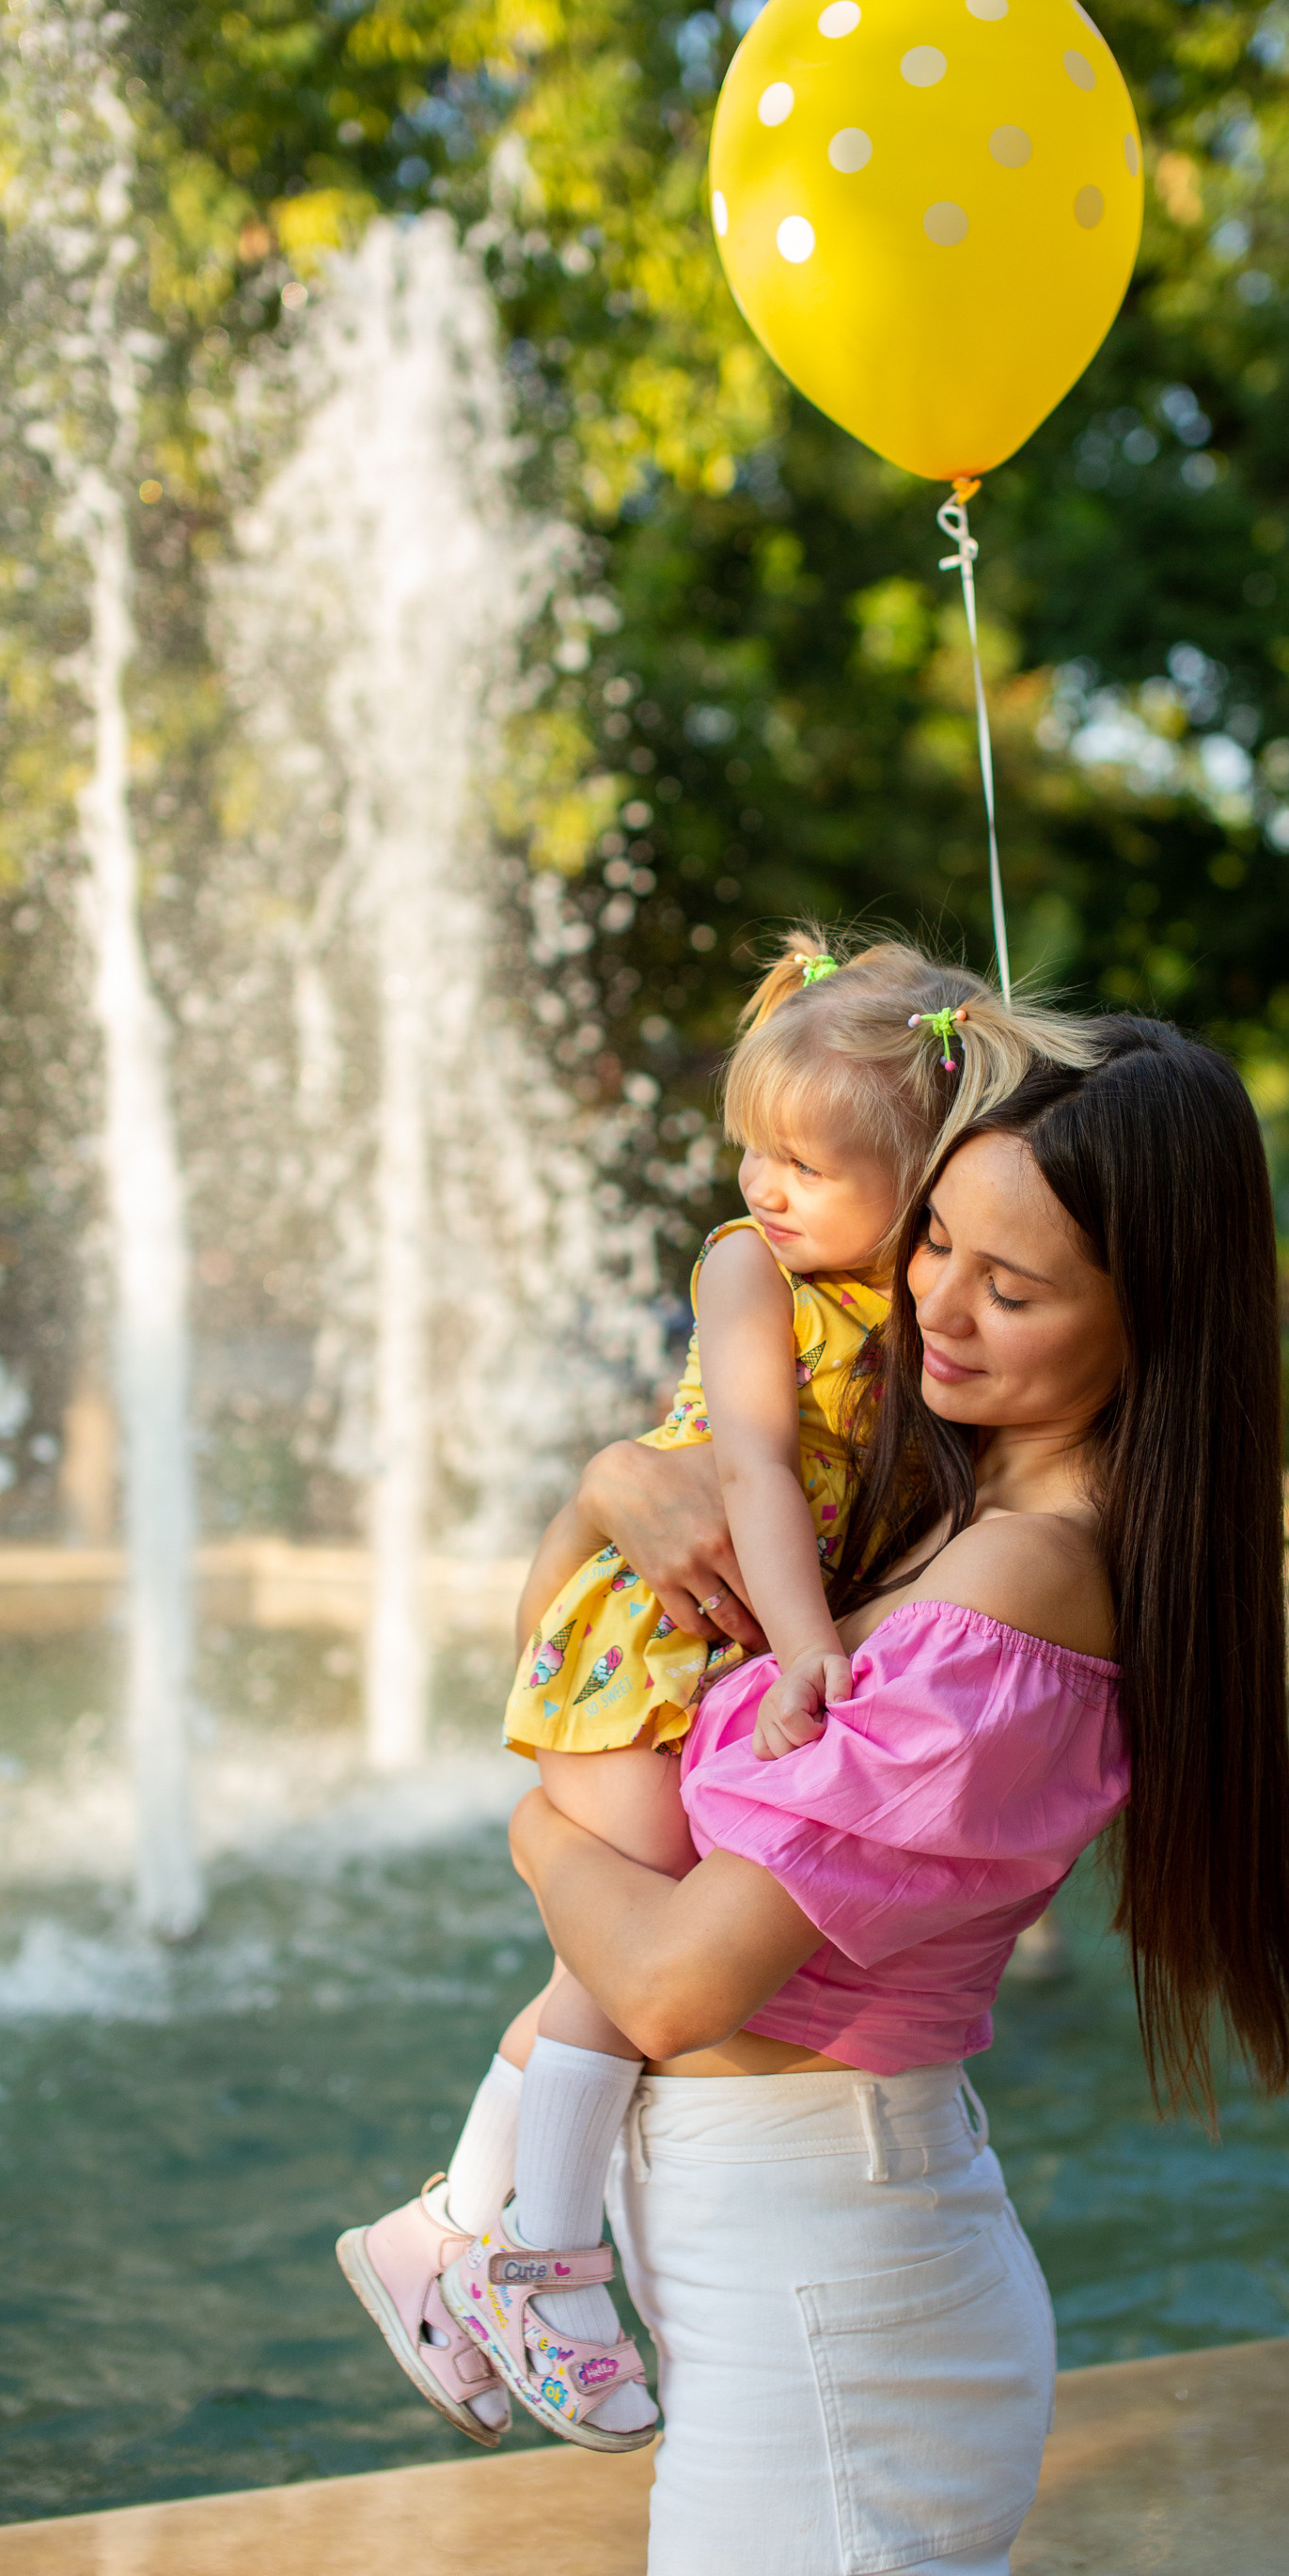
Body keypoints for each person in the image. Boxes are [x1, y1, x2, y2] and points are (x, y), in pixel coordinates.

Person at [452, 1022, 1289, 2576]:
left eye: (1018, 1286)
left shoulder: (1020, 1590)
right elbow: (579, 1687)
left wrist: (526, 1834)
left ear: (1155, 1319)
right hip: (780, 2269)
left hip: (832, 2303)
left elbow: (662, 1984)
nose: (937, 1301)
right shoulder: (935, 1510)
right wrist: (608, 1491)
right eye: (937, 1234)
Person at [337, 931, 1091, 2446]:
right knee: (643, 1923)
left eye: (805, 1163)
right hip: (661, 1632)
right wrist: (804, 1644)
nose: (762, 1187)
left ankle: (455, 2236)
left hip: (715, 1637)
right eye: (751, 1150)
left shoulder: (904, 1312)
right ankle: (527, 2249)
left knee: (623, 1936)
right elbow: (746, 1459)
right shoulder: (756, 1271)